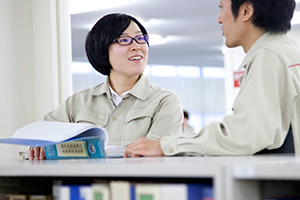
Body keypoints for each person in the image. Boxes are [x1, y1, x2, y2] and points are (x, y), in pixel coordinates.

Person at [124, 0, 300, 157]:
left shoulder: (269, 56)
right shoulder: (288, 51)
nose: (219, 19)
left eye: (222, 8)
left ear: (246, 11)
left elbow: (246, 134)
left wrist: (167, 146)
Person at [25, 13, 183, 160]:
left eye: (140, 38)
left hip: (138, 185)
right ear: (102, 49)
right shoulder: (78, 102)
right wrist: (38, 148)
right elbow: (32, 143)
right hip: (83, 185)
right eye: (124, 40)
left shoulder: (165, 101)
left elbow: (155, 153)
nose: (136, 46)